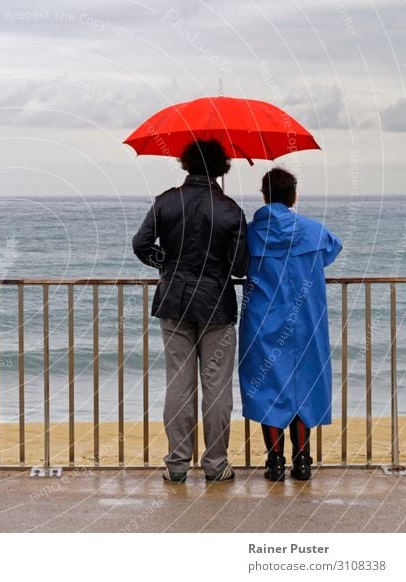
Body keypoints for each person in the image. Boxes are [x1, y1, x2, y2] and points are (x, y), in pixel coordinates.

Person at [133, 139, 249, 483]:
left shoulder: (165, 202)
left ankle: (177, 465)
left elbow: (140, 244)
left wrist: (165, 264)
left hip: (174, 302)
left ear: (185, 164)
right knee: (217, 388)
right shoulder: (230, 210)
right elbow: (240, 267)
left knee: (179, 385)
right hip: (217, 305)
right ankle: (216, 466)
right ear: (221, 168)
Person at [238, 168, 342, 482]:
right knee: (304, 387)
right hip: (306, 321)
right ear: (293, 196)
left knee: (267, 387)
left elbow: (236, 262)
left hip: (262, 320)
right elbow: (331, 250)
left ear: (264, 196)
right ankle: (303, 461)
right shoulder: (313, 231)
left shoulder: (250, 233)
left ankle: (274, 463)